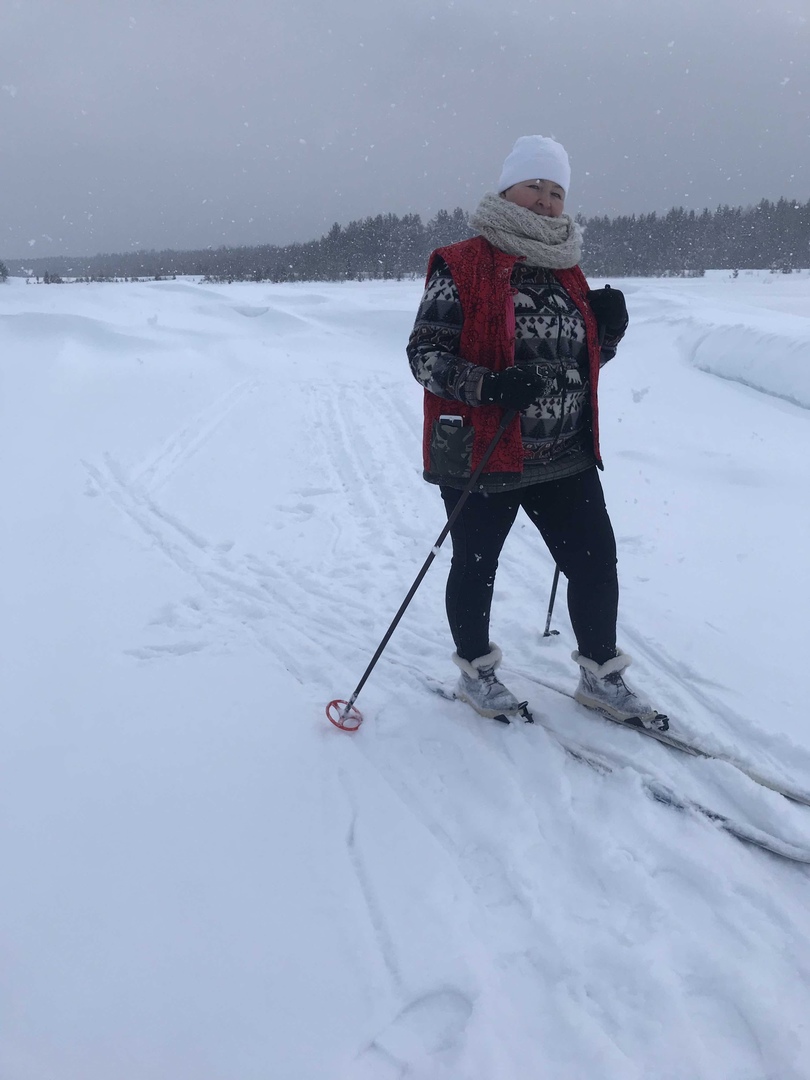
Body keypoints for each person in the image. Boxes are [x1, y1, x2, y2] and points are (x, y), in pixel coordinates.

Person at [407, 135, 666, 730]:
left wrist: (609, 336)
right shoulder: (461, 262)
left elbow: (580, 365)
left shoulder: (566, 269)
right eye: (535, 187)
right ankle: (476, 672)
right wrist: (489, 385)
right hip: (481, 451)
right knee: (476, 565)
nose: (547, 201)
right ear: (507, 189)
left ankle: (601, 675)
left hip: (563, 453)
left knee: (596, 562)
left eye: (556, 192)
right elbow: (424, 355)